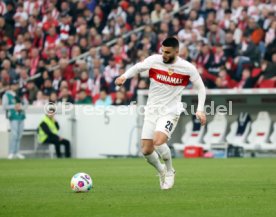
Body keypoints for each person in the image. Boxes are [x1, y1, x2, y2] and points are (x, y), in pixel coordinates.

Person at [115, 37, 206, 190]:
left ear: (177, 52)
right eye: (162, 51)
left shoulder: (187, 68)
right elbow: (137, 67)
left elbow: (201, 88)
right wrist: (124, 76)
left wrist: (200, 109)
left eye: (168, 52)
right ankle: (161, 170)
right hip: (152, 110)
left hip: (170, 110)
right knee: (146, 150)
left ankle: (170, 171)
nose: (164, 54)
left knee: (158, 141)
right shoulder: (154, 60)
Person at [2, 79, 27, 159]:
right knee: (14, 134)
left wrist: (21, 107)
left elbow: (26, 104)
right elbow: (5, 106)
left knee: (19, 135)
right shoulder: (6, 95)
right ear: (10, 86)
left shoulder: (20, 94)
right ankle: (11, 152)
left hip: (21, 116)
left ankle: (17, 152)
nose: (15, 86)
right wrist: (14, 106)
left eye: (16, 84)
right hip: (13, 117)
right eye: (13, 84)